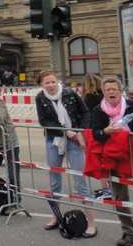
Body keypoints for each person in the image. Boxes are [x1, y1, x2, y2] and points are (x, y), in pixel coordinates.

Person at [87, 76, 133, 246]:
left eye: (114, 89)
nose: (111, 92)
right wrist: (106, 131)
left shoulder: (132, 106)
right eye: (108, 90)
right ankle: (128, 232)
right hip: (114, 155)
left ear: (120, 91)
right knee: (119, 196)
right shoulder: (98, 110)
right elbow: (95, 133)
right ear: (103, 93)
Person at [34, 70, 97, 237]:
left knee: (80, 179)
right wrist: (64, 131)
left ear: (58, 81)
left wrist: (79, 132)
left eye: (53, 82)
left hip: (75, 140)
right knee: (54, 182)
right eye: (47, 83)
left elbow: (85, 113)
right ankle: (56, 217)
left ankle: (91, 224)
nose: (51, 85)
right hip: (54, 141)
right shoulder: (40, 98)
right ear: (42, 84)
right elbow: (44, 121)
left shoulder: (69, 94)